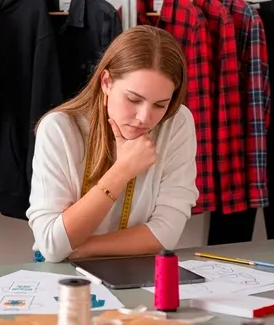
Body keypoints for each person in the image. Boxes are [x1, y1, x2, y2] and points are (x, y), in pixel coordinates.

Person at [27, 25, 199, 263]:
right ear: (106, 81)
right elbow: (52, 244)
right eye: (133, 99)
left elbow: (166, 233)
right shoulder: (59, 129)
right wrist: (122, 171)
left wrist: (82, 248)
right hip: (62, 275)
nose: (144, 118)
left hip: (133, 268)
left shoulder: (177, 123)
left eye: (160, 104)